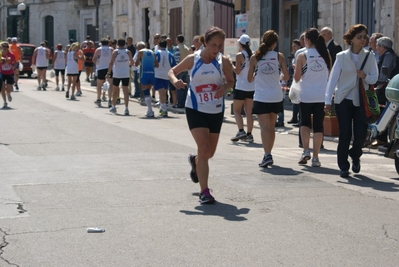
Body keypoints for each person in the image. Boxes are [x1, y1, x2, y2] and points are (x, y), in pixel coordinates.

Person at [168, 26, 234, 204]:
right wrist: (176, 82)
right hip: (195, 108)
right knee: (204, 148)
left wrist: (225, 87)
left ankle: (195, 161)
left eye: (220, 45)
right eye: (213, 45)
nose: (216, 49)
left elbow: (231, 81)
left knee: (208, 153)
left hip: (216, 110)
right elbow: (172, 71)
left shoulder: (224, 61)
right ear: (205, 43)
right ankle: (204, 191)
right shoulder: (193, 59)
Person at [325, 24, 378, 178]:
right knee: (345, 133)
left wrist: (365, 76)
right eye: (359, 37)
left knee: (361, 134)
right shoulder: (341, 56)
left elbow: (375, 77)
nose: (362, 40)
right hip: (343, 99)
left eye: (364, 37)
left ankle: (355, 155)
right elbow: (333, 79)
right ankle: (343, 166)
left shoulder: (370, 56)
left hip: (361, 100)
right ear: (352, 39)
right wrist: (328, 100)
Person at [247, 30, 289, 168]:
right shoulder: (279, 56)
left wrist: (259, 76)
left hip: (261, 96)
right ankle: (268, 152)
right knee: (271, 127)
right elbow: (287, 76)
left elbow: (249, 78)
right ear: (275, 43)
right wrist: (279, 77)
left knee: (264, 127)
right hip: (276, 96)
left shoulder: (255, 58)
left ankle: (267, 154)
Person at [294, 28, 331, 167]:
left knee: (304, 123)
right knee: (318, 126)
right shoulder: (326, 54)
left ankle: (305, 151)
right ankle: (316, 157)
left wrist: (295, 69)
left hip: (306, 95)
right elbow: (330, 75)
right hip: (321, 95)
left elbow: (297, 78)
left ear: (307, 40)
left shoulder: (302, 55)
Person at [370, 37, 398, 147]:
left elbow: (384, 72)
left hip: (386, 88)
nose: (376, 48)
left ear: (383, 47)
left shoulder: (388, 56)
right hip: (386, 87)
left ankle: (382, 138)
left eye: (377, 46)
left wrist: (379, 86)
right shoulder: (387, 55)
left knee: (383, 111)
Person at [230, 34, 255, 143]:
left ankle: (241, 130)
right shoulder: (253, 55)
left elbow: (238, 71)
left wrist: (231, 65)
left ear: (241, 44)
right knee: (249, 112)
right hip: (251, 86)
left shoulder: (240, 55)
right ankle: (249, 134)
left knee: (236, 110)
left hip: (241, 86)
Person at [107, 38, 134, 115]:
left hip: (117, 74)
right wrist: (127, 64)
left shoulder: (115, 52)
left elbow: (111, 63)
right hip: (125, 73)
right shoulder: (128, 52)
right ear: (125, 44)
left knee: (115, 90)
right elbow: (132, 62)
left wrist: (108, 73)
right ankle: (126, 108)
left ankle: (114, 106)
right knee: (125, 91)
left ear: (117, 44)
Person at [135, 41, 158, 117]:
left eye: (137, 48)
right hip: (152, 73)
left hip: (144, 73)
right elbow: (157, 65)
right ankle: (149, 110)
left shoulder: (140, 52)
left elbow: (136, 64)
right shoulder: (152, 52)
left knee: (146, 92)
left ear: (139, 47)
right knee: (148, 91)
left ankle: (150, 110)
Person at [154, 39, 176, 117]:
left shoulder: (156, 53)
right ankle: (162, 107)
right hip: (166, 76)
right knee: (163, 92)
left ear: (159, 46)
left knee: (161, 93)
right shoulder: (170, 54)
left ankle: (164, 109)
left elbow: (154, 63)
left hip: (158, 75)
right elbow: (174, 64)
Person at [92, 38, 114, 107]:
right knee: (110, 85)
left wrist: (97, 64)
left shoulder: (98, 50)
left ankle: (98, 99)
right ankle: (110, 100)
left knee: (99, 85)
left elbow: (94, 59)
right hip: (109, 68)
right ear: (108, 43)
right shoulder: (111, 49)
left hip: (101, 68)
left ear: (101, 43)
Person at [287, 39, 303, 125]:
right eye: (292, 46)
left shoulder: (301, 55)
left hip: (298, 80)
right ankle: (294, 117)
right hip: (293, 79)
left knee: (298, 100)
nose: (293, 47)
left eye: (295, 46)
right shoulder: (294, 56)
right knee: (293, 99)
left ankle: (299, 119)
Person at [173, 34, 190, 108]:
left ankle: (180, 103)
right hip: (186, 69)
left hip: (180, 70)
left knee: (179, 87)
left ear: (178, 40)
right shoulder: (186, 48)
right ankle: (186, 102)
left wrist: (175, 69)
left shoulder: (177, 48)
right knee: (185, 87)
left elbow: (177, 59)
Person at [0, 42, 16, 109]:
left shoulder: (11, 55)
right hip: (1, 73)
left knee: (8, 89)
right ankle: (5, 102)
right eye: (3, 46)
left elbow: (15, 62)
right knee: (2, 88)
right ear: (1, 47)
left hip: (10, 73)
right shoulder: (0, 55)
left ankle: (8, 94)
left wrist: (13, 67)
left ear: (8, 47)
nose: (5, 48)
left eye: (6, 46)